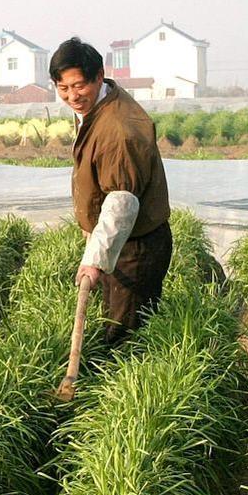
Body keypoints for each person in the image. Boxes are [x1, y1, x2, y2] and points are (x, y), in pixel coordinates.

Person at [52, 37, 172, 345]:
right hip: (121, 242)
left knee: (124, 337)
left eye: (79, 86)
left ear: (99, 76)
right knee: (116, 321)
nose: (72, 96)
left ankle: (131, 389)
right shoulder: (100, 107)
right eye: (63, 88)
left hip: (135, 247)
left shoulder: (118, 129)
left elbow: (121, 203)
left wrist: (94, 260)